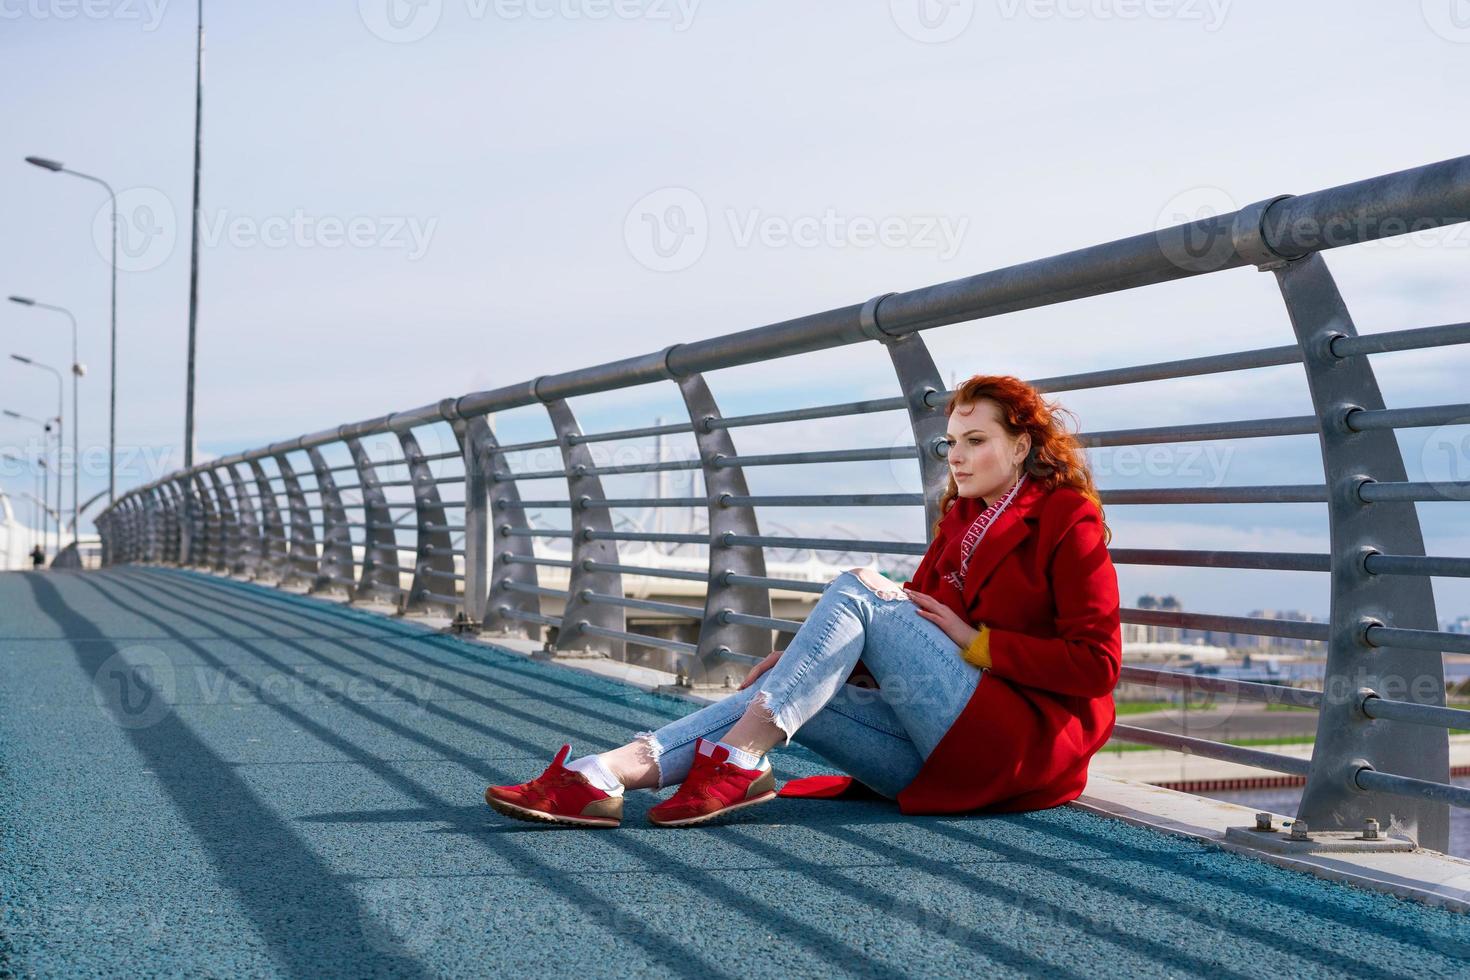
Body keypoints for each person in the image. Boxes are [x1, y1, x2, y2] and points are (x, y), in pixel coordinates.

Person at [484, 374, 1121, 828]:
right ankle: (606, 775)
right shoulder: (961, 519)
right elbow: (903, 639)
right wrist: (801, 666)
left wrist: (974, 642)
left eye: (976, 441)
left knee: (857, 586)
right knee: (778, 692)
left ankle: (735, 761)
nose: (956, 456)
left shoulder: (1068, 519)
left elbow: (1096, 666)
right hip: (934, 760)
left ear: (1022, 445)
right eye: (949, 442)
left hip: (1019, 751)